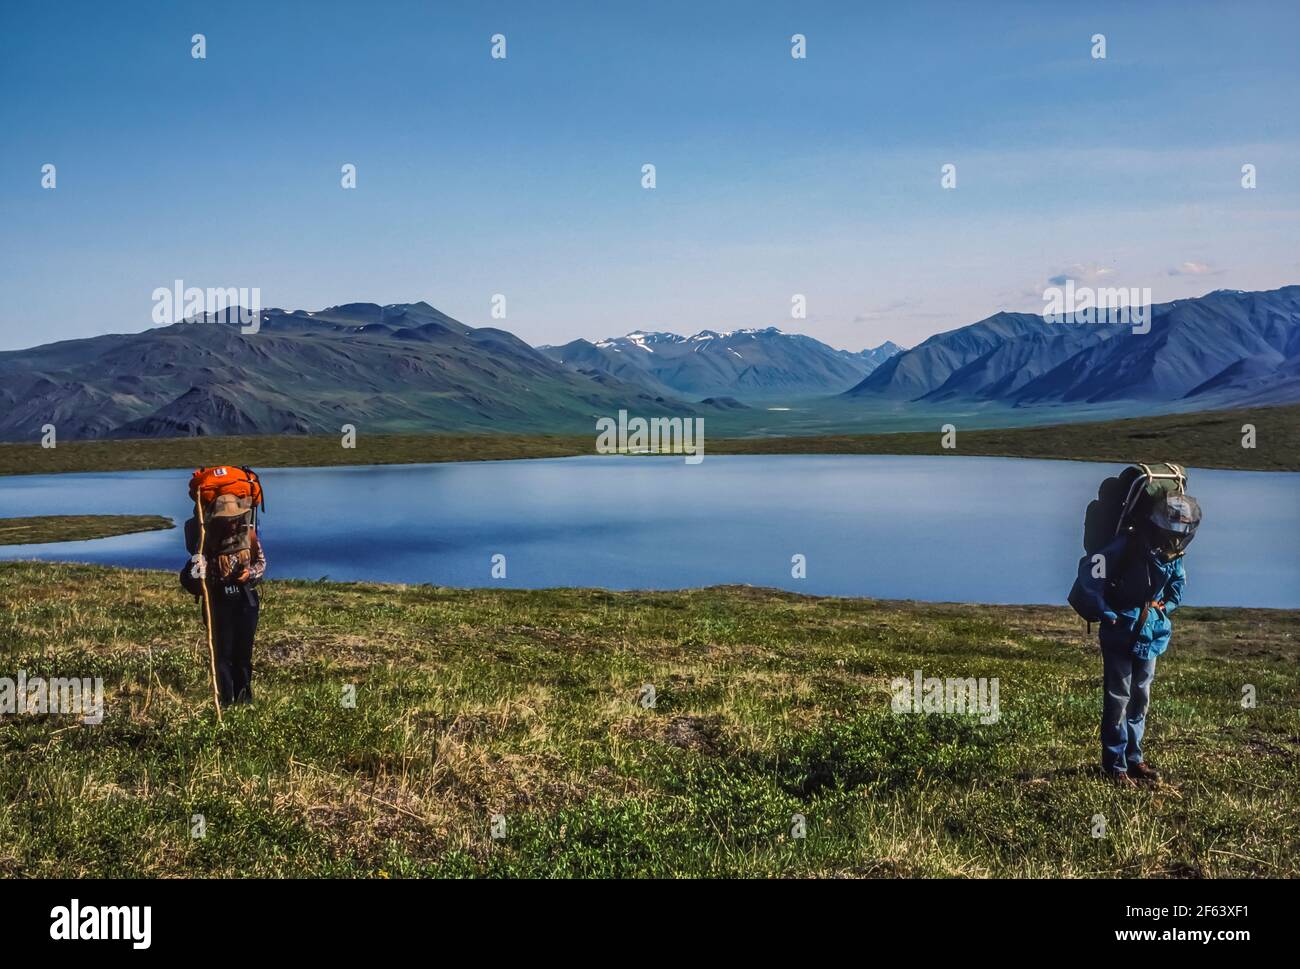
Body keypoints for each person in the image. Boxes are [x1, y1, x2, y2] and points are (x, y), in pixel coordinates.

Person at [1075, 492, 1201, 786]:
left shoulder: (1172, 552)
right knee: (1118, 697)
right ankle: (1115, 765)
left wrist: (1163, 609)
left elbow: (1177, 586)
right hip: (1121, 629)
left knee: (1140, 697)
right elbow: (1090, 575)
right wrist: (1108, 614)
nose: (1178, 534)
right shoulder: (1126, 544)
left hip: (1152, 631)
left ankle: (1134, 758)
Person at [180, 493, 267, 707]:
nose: (232, 522)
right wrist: (201, 570)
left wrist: (250, 575)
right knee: (223, 656)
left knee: (243, 654)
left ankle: (244, 700)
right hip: (219, 602)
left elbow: (261, 563)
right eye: (227, 519)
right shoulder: (205, 542)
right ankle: (226, 701)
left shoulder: (249, 537)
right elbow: (194, 573)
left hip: (245, 601)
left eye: (235, 518)